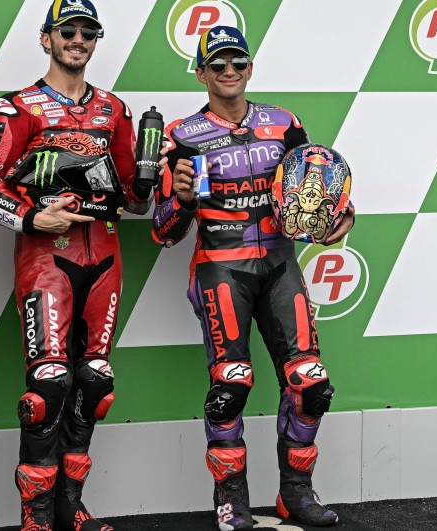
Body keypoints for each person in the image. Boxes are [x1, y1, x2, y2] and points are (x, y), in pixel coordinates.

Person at [152, 26, 355, 529]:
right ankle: (231, 502)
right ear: (200, 73)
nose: (228, 71)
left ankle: (296, 496)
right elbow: (164, 232)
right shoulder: (182, 135)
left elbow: (317, 190)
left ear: (249, 68)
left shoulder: (284, 123)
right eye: (217, 64)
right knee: (231, 385)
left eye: (237, 62)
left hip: (281, 264)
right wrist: (179, 200)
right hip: (221, 267)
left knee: (312, 386)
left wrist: (339, 219)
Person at [0, 1, 152, 529]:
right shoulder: (17, 108)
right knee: (48, 384)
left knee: (94, 382)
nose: (78, 39)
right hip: (45, 259)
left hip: (104, 255)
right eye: (67, 31)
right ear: (46, 38)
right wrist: (32, 218)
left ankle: (70, 508)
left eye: (87, 32)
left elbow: (135, 199)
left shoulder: (115, 111)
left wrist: (156, 183)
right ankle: (35, 517)